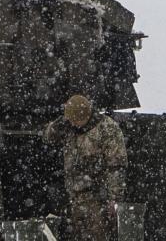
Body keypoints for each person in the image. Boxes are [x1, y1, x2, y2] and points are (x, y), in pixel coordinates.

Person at [43, 94, 127, 241]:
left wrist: (114, 198)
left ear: (86, 115)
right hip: (74, 197)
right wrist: (58, 124)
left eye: (77, 121)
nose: (74, 124)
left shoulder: (107, 128)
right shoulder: (69, 127)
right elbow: (48, 136)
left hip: (98, 199)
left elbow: (116, 166)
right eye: (72, 121)